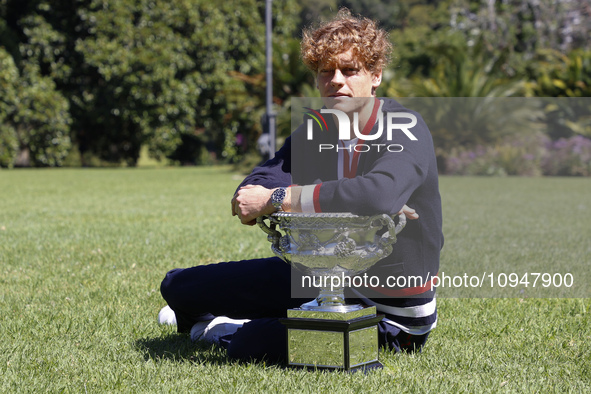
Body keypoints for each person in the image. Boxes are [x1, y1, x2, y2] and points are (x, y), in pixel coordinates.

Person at [159, 9, 443, 363]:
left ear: (376, 75)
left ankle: (226, 329)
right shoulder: (318, 129)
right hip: (315, 278)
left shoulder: (405, 128)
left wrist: (278, 198)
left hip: (388, 315)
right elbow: (266, 176)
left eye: (349, 69)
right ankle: (210, 318)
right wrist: (255, 194)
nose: (336, 80)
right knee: (179, 287)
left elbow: (379, 194)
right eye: (325, 71)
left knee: (253, 342)